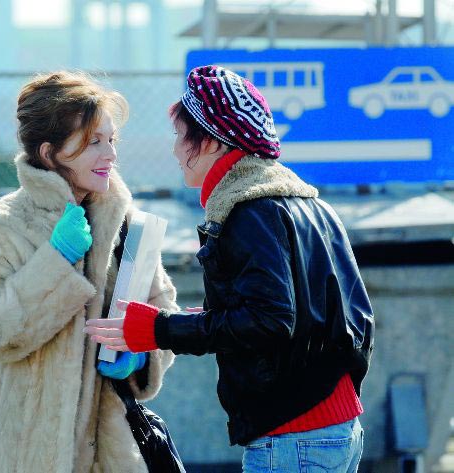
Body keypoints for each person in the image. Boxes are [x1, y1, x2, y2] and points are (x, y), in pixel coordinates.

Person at [84, 65, 375, 472]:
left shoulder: (248, 210)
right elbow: (353, 318)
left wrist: (159, 330)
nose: (174, 150)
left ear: (214, 142)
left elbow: (269, 320)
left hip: (292, 439)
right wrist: (195, 322)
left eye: (181, 136)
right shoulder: (309, 203)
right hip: (337, 429)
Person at [0, 71, 179, 472]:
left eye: (112, 140)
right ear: (49, 153)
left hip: (110, 458)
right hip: (18, 458)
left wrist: (141, 356)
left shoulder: (126, 225)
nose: (109, 154)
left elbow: (164, 319)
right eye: (94, 142)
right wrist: (56, 261)